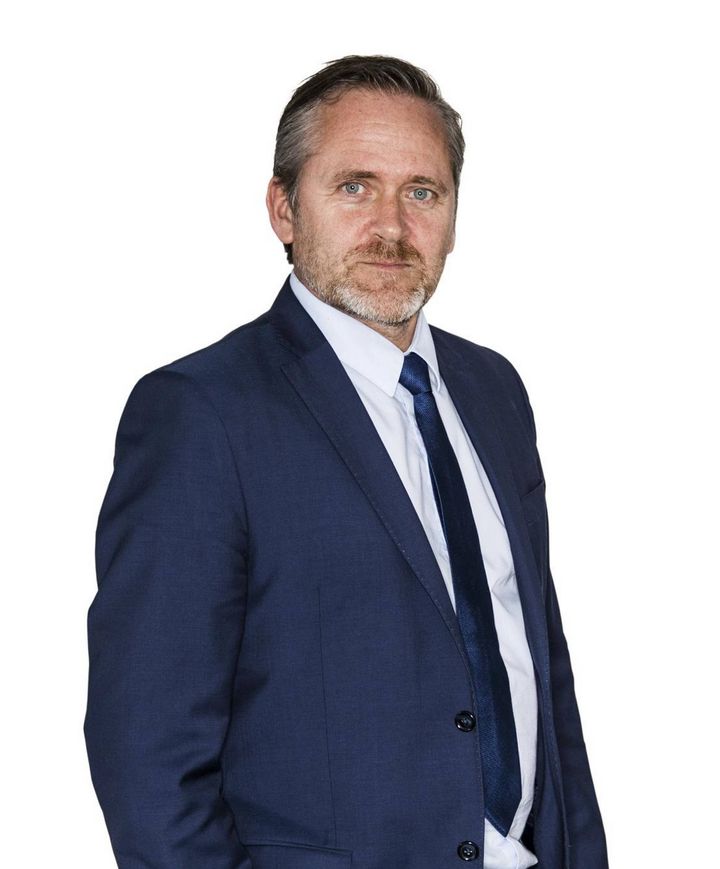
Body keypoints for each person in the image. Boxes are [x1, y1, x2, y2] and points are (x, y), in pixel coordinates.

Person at [84, 55, 608, 869]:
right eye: (355, 187)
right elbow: (146, 753)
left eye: (423, 192)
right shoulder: (201, 414)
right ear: (284, 208)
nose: (391, 226)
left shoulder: (494, 390)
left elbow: (544, 675)